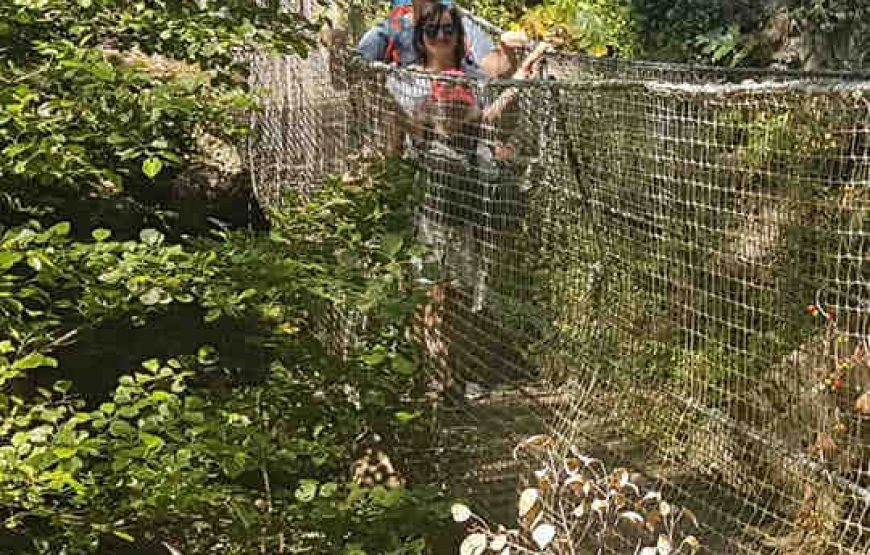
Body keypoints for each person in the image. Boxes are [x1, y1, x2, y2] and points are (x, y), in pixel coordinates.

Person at [357, 0, 520, 78]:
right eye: (431, 31)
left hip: (464, 131)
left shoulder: (463, 25)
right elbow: (350, 73)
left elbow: (489, 68)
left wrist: (508, 53)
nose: (441, 36)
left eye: (448, 31)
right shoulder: (389, 31)